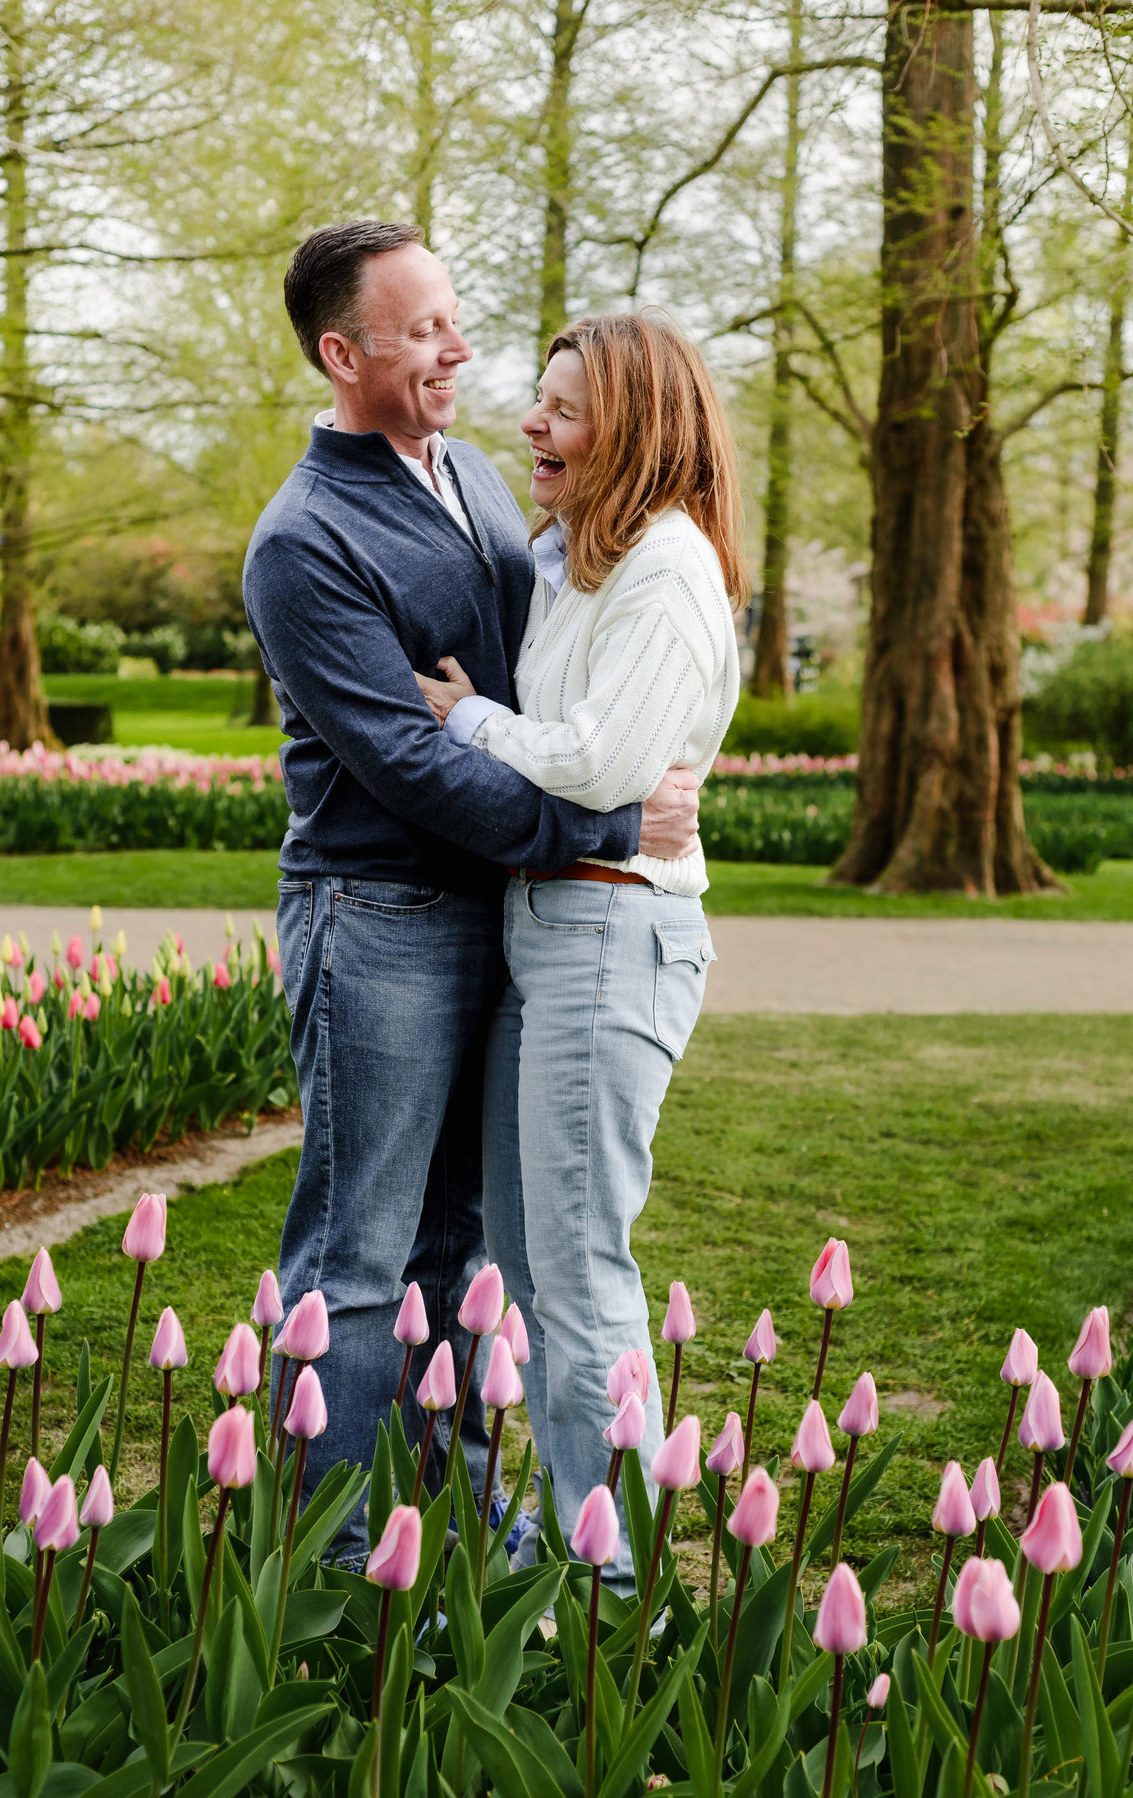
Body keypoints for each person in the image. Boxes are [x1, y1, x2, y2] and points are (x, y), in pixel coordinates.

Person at [241, 222, 701, 1564]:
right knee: (360, 1259)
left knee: (461, 1250)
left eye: (453, 314)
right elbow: (407, 761)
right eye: (423, 328)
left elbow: (522, 689)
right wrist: (608, 817)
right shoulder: (306, 539)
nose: (458, 345)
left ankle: (439, 1510)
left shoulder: (479, 476)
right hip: (377, 916)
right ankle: (331, 1555)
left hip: (496, 909)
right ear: (343, 354)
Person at [414, 311, 748, 1588]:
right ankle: (580, 1560)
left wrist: (471, 720)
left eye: (561, 407)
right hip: (554, 924)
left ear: (638, 428)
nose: (529, 425)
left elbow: (607, 766)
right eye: (536, 400)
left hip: (613, 927)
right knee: (537, 1267)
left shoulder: (667, 570)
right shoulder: (588, 568)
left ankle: (618, 1595)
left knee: (581, 1272)